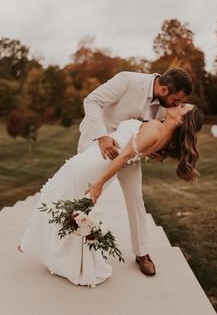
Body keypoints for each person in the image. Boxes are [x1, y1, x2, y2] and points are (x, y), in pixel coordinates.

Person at [18, 103, 203, 287]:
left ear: (180, 119)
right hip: (97, 159)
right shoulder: (166, 135)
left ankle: (43, 248)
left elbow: (122, 157)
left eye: (182, 107)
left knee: (60, 193)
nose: (178, 104)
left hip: (97, 161)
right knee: (61, 195)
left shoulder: (156, 128)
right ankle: (39, 246)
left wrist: (98, 183)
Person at [77, 68, 193, 276]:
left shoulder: (164, 103)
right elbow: (91, 101)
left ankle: (142, 253)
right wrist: (102, 136)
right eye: (176, 101)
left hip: (130, 154)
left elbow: (147, 132)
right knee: (86, 196)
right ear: (164, 89)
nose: (176, 106)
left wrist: (152, 152)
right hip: (99, 146)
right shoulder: (127, 80)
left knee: (135, 199)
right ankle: (77, 246)